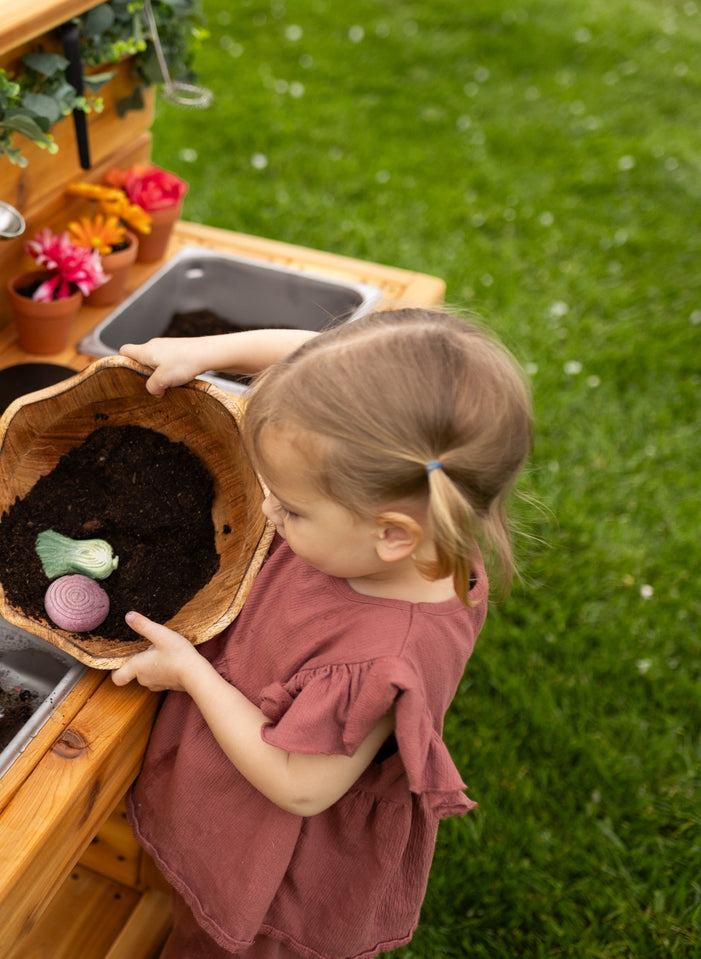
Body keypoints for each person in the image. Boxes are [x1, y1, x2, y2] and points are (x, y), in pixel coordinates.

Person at [112, 308, 533, 959]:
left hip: (273, 871)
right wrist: (208, 350)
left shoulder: (380, 658)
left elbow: (298, 783)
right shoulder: (408, 527)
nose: (269, 508)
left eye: (294, 508)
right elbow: (320, 361)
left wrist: (190, 673)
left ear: (392, 532)